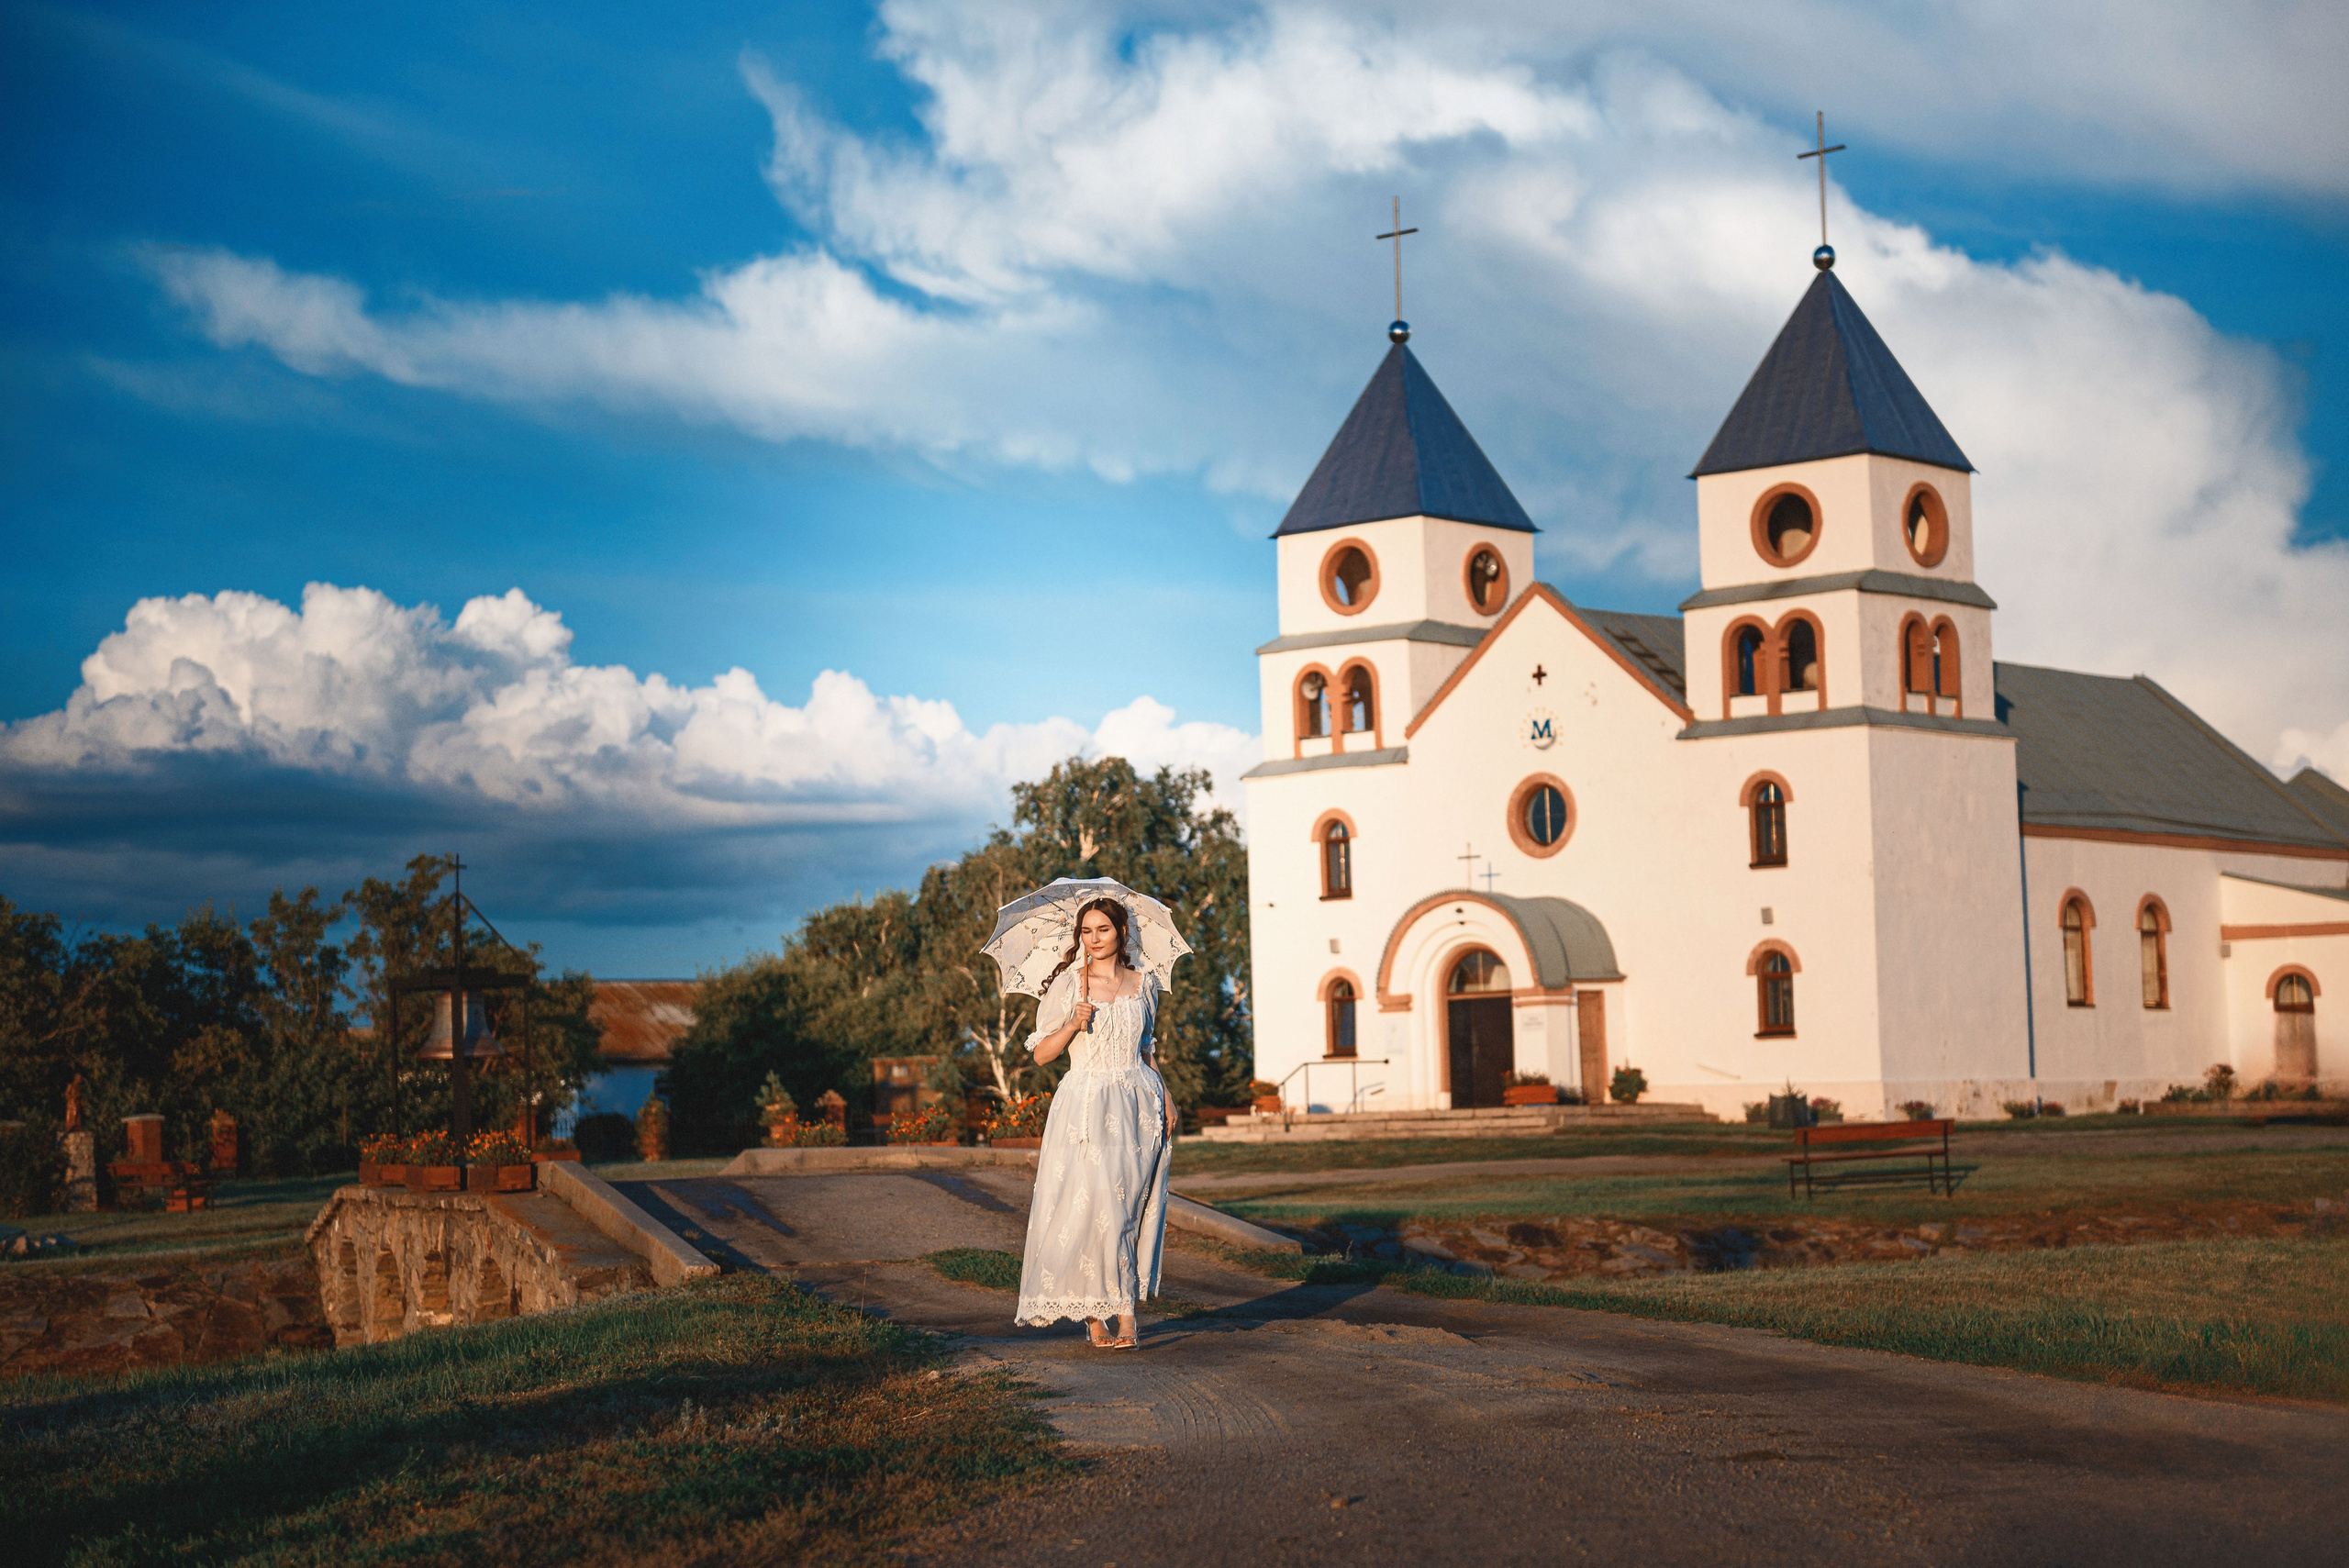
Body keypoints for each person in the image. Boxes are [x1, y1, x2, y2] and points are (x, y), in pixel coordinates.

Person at [1014, 896, 1178, 1348]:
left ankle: (1126, 1313)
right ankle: (1095, 1317)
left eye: (1103, 929)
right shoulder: (1070, 985)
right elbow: (1042, 1054)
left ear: (1122, 932)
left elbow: (1147, 1049)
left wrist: (1167, 1097)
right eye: (1086, 932)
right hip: (1086, 1106)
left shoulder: (1143, 984)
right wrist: (1071, 1024)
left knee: (1126, 1209)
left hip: (1138, 1106)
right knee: (1094, 1207)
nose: (1094, 939)